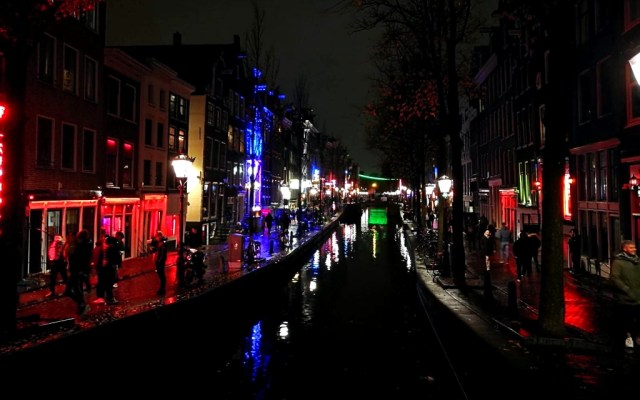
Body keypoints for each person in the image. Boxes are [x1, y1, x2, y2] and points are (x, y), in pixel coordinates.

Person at [610, 240, 640, 347]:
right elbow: (615, 278)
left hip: (638, 296)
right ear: (624, 249)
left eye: (634, 247)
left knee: (638, 318)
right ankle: (628, 337)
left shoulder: (637, 261)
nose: (634, 249)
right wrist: (626, 289)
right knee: (627, 319)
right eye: (631, 247)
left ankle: (638, 336)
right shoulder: (618, 262)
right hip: (625, 297)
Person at [66, 230, 93, 315]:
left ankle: (82, 304)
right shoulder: (85, 246)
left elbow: (74, 257)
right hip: (78, 270)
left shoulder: (80, 247)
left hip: (76, 271)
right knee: (76, 289)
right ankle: (81, 305)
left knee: (72, 290)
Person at [96, 236, 119, 305]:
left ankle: (105, 298)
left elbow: (103, 260)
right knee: (108, 285)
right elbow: (115, 260)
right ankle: (108, 298)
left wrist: (100, 268)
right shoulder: (111, 249)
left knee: (104, 284)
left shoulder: (106, 250)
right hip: (108, 269)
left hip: (105, 269)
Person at [149, 231, 168, 296]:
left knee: (162, 275)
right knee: (160, 275)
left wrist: (159, 261)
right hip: (158, 261)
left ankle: (162, 289)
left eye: (157, 236)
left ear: (159, 236)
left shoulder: (163, 243)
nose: (156, 238)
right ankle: (161, 289)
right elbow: (155, 249)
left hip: (160, 261)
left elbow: (162, 254)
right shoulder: (158, 243)